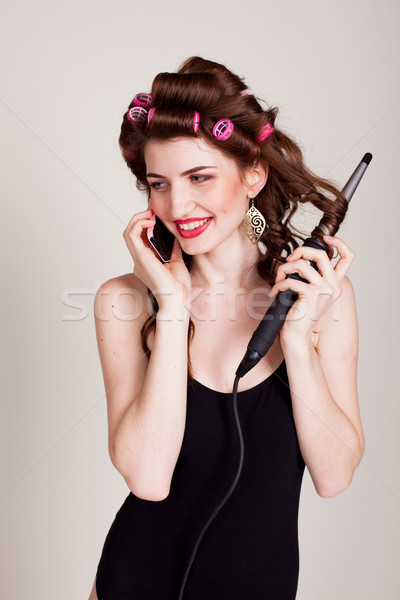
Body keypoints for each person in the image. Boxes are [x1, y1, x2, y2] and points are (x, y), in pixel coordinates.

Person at [88, 56, 365, 600]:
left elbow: (335, 477)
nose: (177, 205)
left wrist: (296, 342)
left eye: (200, 177)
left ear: (253, 174)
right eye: (158, 184)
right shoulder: (123, 301)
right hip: (134, 583)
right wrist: (170, 307)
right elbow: (148, 479)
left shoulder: (320, 296)